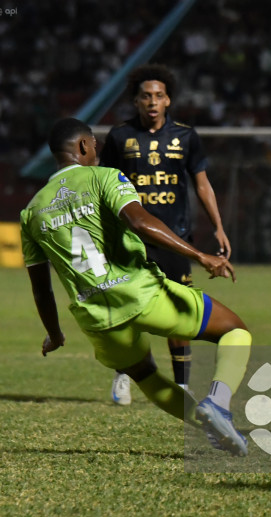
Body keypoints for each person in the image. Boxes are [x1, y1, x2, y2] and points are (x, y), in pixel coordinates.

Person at [21, 117, 251, 456]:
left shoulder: (31, 213)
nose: (96, 152)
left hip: (95, 317)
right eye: (94, 146)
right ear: (84, 146)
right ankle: (217, 403)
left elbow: (41, 288)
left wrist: (54, 335)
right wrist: (200, 255)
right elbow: (140, 221)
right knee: (235, 331)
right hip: (139, 293)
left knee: (144, 375)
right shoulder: (104, 177)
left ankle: (208, 427)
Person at [99, 64, 231, 405]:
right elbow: (104, 185)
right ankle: (124, 375)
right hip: (132, 239)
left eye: (158, 96)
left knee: (177, 312)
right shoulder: (118, 137)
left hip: (175, 239)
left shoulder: (186, 137)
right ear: (136, 101)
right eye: (146, 96)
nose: (152, 102)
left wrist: (217, 224)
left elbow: (202, 184)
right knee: (129, 309)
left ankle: (183, 385)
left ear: (168, 100)